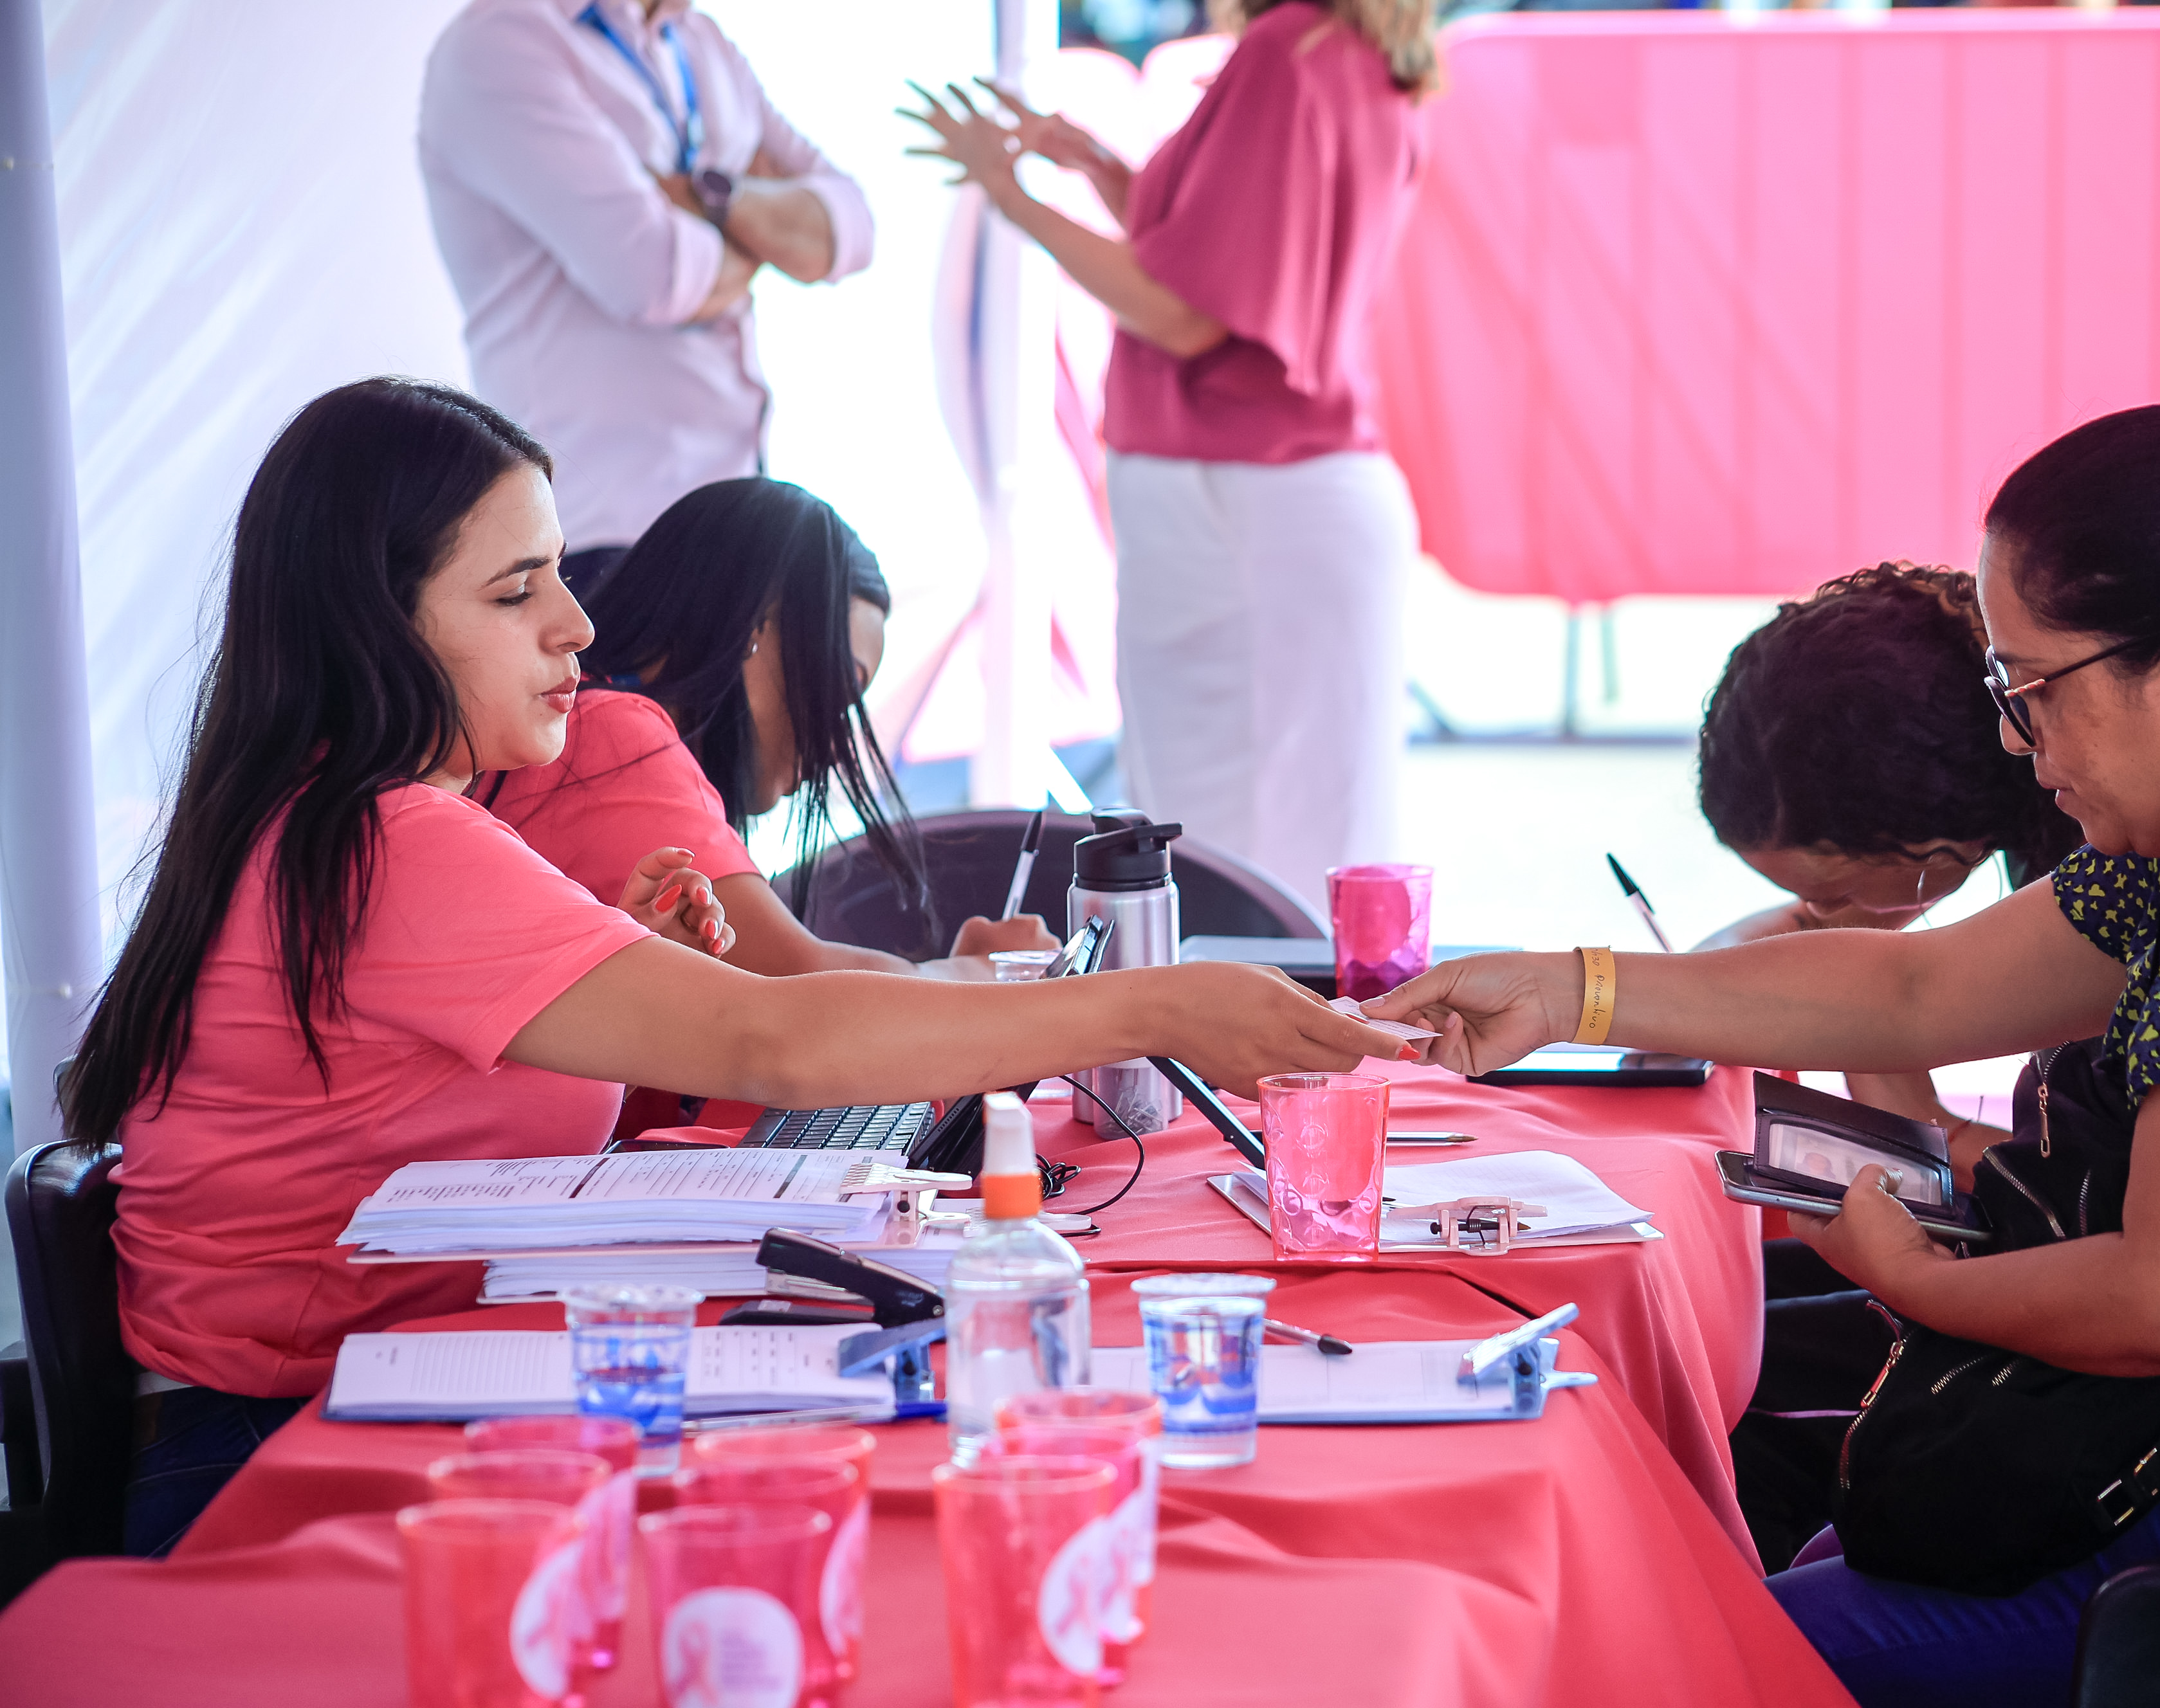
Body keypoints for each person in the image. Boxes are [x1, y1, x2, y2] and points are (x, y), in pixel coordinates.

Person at [64, 379, 1405, 1556]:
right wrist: (1158, 1002)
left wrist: (629, 961)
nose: (577, 624)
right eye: (517, 589)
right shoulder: (387, 839)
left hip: (345, 1391)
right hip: (275, 1458)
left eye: (559, 574)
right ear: (378, 622)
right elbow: (778, 1041)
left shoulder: (349, 817)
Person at [1375, 404, 2160, 1703]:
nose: (2013, 737)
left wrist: (1909, 1274)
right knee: (1753, 1575)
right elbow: (1915, 987)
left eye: (2031, 688)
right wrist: (1570, 989)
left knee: (1679, 1657)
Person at [901, 0, 1436, 908]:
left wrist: (1012, 196)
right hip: (1279, 502)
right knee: (1292, 861)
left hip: (1247, 505)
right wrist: (1096, 167)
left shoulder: (1286, 52)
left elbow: (1185, 313)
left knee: (1230, 874)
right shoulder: (1354, 50)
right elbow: (1215, 251)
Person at [1693, 561, 2083, 1573]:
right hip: (2066, 1243)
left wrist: (1909, 1251)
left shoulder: (2113, 867)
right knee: (1731, 1307)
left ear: (1933, 844)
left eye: (1834, 900)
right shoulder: (2041, 814)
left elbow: (2068, 1195)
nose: (1818, 925)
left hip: (2105, 1319)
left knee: (1721, 1376)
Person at [481, 477, 1053, 978]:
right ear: (755, 624)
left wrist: (952, 978)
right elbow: (802, 991)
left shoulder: (596, 727)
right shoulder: (610, 736)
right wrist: (984, 975)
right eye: (839, 689)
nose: (834, 747)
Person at [419, 0, 874, 594]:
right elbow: (649, 274)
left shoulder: (700, 39)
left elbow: (850, 231)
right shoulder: (502, 42)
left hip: (732, 520)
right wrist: (768, 231)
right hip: (596, 539)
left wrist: (711, 199)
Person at [1697, 560, 2082, 1154]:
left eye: (1835, 892)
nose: (1815, 913)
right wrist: (1689, 985)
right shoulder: (2016, 754)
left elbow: (2085, 1190)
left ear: (1927, 828)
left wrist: (1911, 1115)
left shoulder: (2106, 860)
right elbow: (1779, 945)